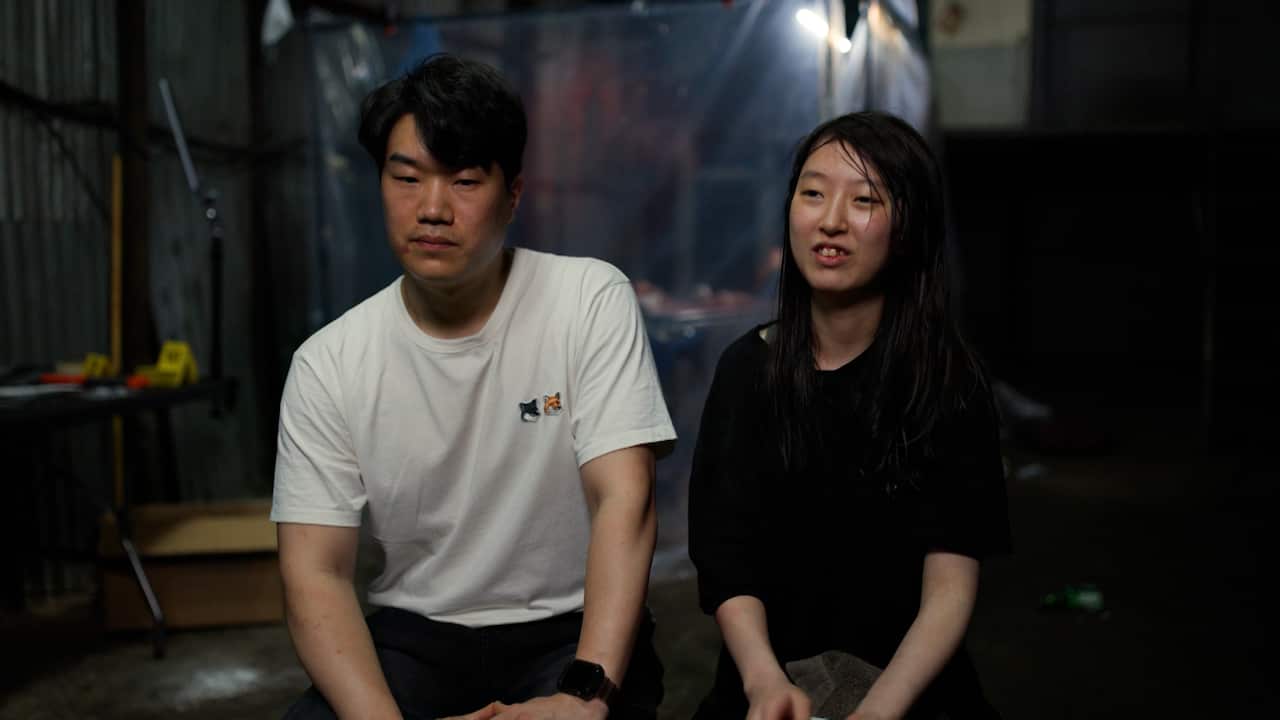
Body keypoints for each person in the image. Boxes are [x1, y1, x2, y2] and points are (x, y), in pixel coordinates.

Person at [272, 54, 676, 720]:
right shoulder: (329, 363)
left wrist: (586, 695)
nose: (432, 209)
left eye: (463, 181)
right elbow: (315, 572)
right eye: (407, 178)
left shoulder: (587, 299)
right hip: (416, 637)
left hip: (568, 626)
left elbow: (624, 500)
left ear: (513, 194)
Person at [688, 111, 1011, 720]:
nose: (830, 220)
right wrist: (764, 682)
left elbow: (949, 585)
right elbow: (728, 566)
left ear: (908, 226)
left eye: (864, 200)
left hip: (911, 694)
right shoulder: (745, 372)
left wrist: (881, 708)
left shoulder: (947, 381)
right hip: (766, 691)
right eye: (813, 193)